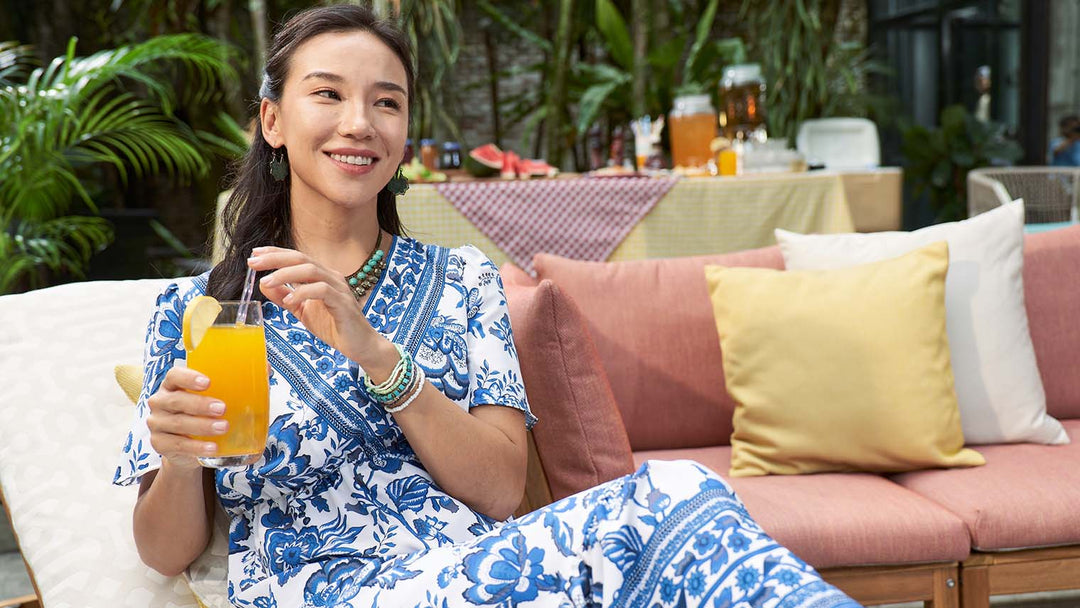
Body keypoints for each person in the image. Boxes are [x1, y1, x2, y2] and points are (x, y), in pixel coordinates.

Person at [114, 6, 858, 607]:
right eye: (328, 93)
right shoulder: (199, 309)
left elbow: (502, 488)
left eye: (387, 102)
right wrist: (180, 462)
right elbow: (163, 550)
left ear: (404, 134)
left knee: (683, 500)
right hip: (313, 593)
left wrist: (376, 353)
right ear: (274, 122)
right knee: (676, 489)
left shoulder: (465, 283)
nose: (359, 123)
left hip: (482, 578)